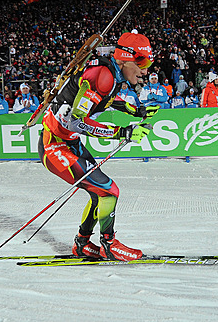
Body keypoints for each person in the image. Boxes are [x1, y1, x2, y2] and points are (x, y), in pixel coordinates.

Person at [38, 31, 158, 262]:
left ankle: (82, 244)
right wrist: (123, 132)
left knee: (98, 194)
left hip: (69, 142)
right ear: (124, 57)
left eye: (148, 63)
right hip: (54, 146)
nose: (145, 70)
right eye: (141, 62)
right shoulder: (103, 75)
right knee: (109, 191)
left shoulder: (112, 74)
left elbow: (106, 98)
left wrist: (133, 110)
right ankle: (109, 245)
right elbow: (77, 121)